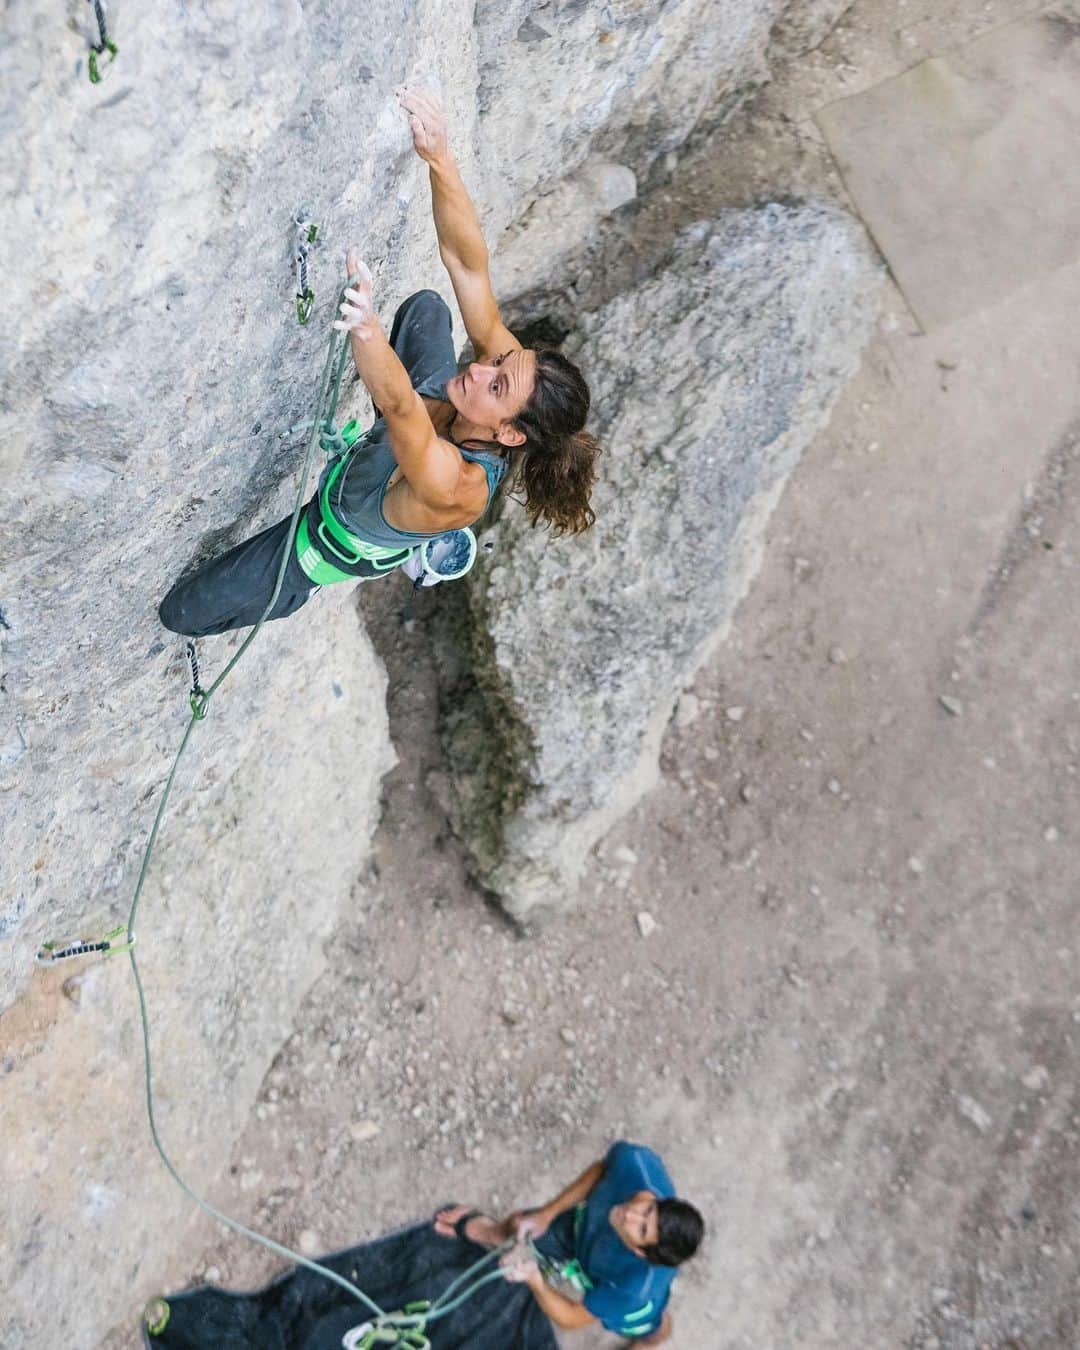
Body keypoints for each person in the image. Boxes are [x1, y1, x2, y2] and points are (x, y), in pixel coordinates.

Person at [159, 87, 600, 637]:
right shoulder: (496, 377)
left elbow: (400, 407)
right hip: (413, 435)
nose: (482, 367)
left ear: (510, 435)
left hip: (335, 528)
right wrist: (440, 156)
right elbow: (466, 264)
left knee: (182, 614)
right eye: (502, 359)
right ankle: (410, 510)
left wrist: (364, 326)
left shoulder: (458, 488)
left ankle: (326, 577)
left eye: (496, 385)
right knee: (429, 309)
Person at [434, 1141, 704, 1345]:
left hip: (618, 1287)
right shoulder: (638, 1165)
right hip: (583, 1231)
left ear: (639, 1251)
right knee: (520, 1224)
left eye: (642, 1228)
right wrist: (546, 1214)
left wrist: (535, 1279)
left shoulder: (633, 1290)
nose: (630, 1214)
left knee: (648, 1327)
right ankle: (486, 1231)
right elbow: (602, 1170)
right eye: (648, 1209)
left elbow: (574, 1316)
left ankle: (651, 1342)